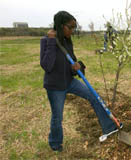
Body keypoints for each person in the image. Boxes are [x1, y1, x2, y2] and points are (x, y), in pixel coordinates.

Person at [40, 11, 122, 152]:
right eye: (70, 27)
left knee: (93, 96)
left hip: (69, 81)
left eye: (74, 28)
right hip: (55, 87)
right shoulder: (47, 40)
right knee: (57, 117)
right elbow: (47, 66)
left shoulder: (67, 40)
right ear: (60, 26)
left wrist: (77, 66)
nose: (72, 31)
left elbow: (72, 61)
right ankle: (55, 144)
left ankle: (109, 127)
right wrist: (52, 42)